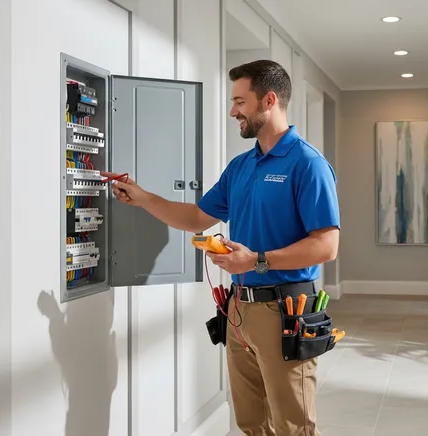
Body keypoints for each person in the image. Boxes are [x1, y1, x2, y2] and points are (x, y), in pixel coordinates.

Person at [102, 59, 339, 436]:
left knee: (292, 426)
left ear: (269, 100)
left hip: (284, 310)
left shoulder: (308, 165)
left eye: (240, 102)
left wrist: (257, 260)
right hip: (238, 310)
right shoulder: (240, 166)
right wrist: (143, 197)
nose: (233, 111)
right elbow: (197, 217)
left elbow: (327, 245)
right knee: (249, 422)